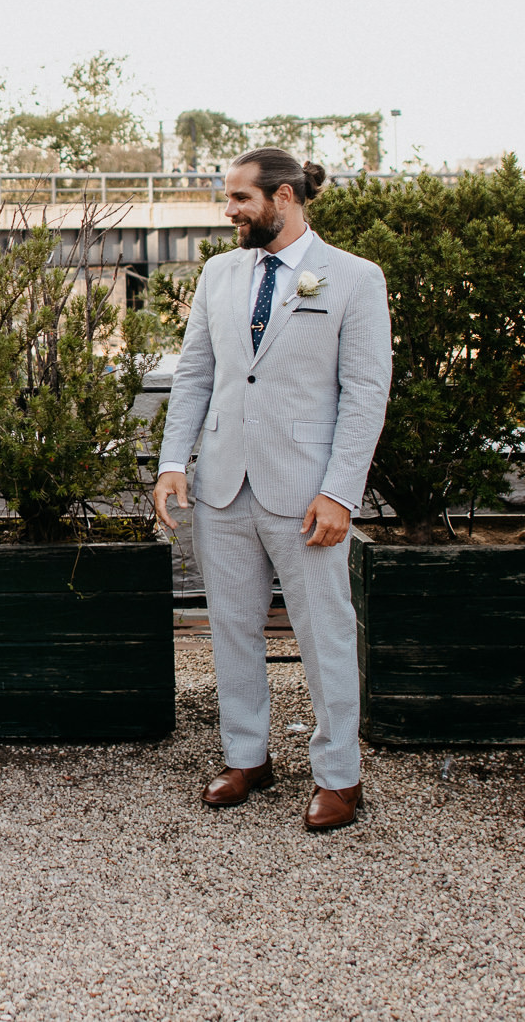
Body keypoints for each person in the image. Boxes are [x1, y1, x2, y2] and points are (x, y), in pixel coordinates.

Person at [153, 147, 391, 832]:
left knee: (326, 634)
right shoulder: (219, 274)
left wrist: (341, 492)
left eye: (239, 199)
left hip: (307, 492)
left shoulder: (352, 278)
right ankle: (246, 756)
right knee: (230, 628)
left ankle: (339, 776)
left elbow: (366, 392)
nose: (228, 211)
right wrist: (175, 463)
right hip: (223, 485)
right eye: (228, 199)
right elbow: (195, 373)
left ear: (283, 198)